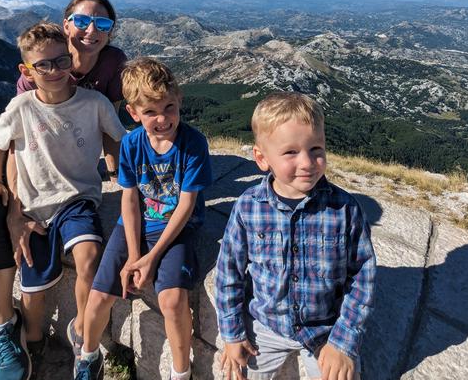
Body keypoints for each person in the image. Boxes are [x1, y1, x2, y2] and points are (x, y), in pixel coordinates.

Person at [0, 0, 127, 379]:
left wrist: (120, 165)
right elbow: (11, 142)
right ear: (67, 27)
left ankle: (82, 341)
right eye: (82, 21)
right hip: (22, 175)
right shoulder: (25, 97)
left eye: (102, 24)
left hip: (75, 195)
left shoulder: (107, 75)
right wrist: (9, 199)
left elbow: (115, 128)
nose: (91, 30)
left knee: (86, 258)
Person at [215, 92, 376, 380]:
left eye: (316, 149)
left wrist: (344, 341)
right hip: (267, 325)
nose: (307, 162)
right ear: (262, 158)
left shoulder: (345, 209)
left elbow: (362, 276)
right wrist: (231, 334)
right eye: (290, 152)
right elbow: (229, 273)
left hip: (326, 329)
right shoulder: (249, 207)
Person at [74, 58, 213, 380]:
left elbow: (186, 205)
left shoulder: (193, 144)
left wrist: (150, 258)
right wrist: (134, 256)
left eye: (169, 107)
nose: (162, 119)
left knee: (174, 301)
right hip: (134, 227)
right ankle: (88, 356)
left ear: (179, 100)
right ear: (134, 114)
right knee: (97, 298)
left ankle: (181, 372)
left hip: (177, 229)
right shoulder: (132, 144)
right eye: (150, 112)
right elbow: (130, 199)